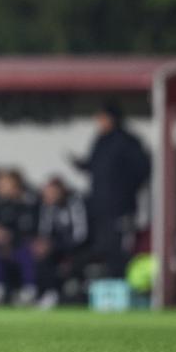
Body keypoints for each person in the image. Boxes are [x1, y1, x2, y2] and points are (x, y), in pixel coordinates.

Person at [70, 102, 150, 277]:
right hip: (100, 207)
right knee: (102, 247)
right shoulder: (100, 140)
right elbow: (95, 167)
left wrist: (125, 190)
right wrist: (81, 165)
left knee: (120, 247)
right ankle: (106, 283)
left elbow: (142, 169)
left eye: (102, 118)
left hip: (121, 207)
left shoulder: (127, 142)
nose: (98, 122)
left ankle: (121, 281)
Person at [0, 169, 38, 305]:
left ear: (15, 184)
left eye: (4, 183)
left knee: (26, 250)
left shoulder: (29, 203)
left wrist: (6, 236)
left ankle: (29, 290)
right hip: (1, 249)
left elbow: (30, 230)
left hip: (21, 247)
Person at [32, 177, 88, 308]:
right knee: (40, 257)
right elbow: (44, 232)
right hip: (57, 248)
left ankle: (78, 294)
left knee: (76, 261)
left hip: (78, 248)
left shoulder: (75, 204)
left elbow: (80, 235)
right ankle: (48, 292)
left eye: (52, 193)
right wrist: (43, 245)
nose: (49, 196)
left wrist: (56, 246)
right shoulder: (47, 207)